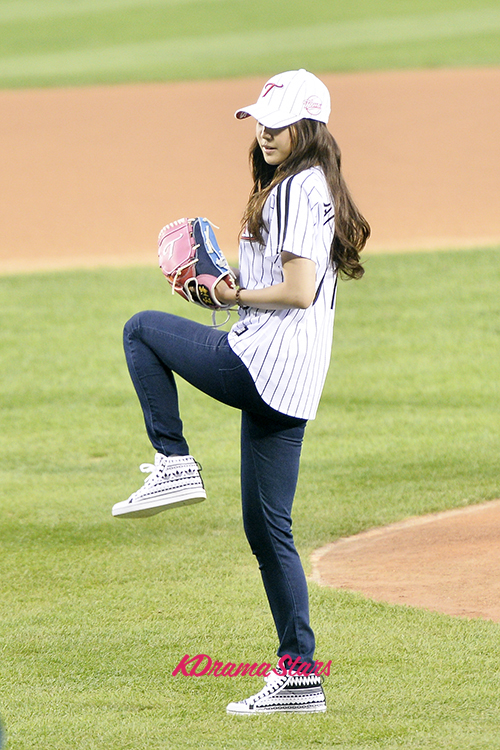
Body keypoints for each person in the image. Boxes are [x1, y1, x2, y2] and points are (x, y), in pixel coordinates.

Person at [112, 69, 370, 715]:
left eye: (279, 123)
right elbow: (283, 286)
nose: (266, 132)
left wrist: (226, 294)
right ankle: (300, 677)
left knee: (142, 329)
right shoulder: (316, 188)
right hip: (294, 380)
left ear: (309, 127)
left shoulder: (292, 191)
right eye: (260, 120)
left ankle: (173, 463)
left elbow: (297, 291)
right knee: (268, 532)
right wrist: (225, 282)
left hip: (261, 364)